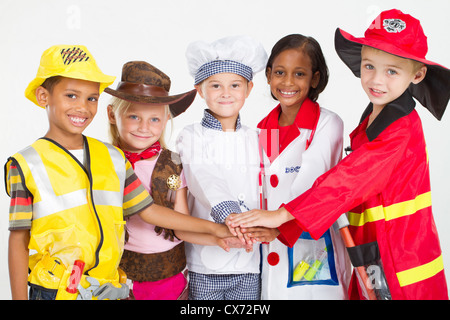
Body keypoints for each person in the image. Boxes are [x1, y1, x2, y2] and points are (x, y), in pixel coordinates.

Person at [227, 9, 449, 300]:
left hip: (399, 258)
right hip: (371, 247)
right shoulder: (375, 116)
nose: (376, 80)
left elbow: (348, 179)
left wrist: (281, 215)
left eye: (392, 71)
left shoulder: (400, 129)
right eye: (369, 66)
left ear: (417, 74)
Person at [5, 45, 233, 300]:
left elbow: (148, 211)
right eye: (71, 95)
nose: (82, 106)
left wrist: (217, 230)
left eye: (91, 98)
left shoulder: (113, 158)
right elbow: (19, 238)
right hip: (54, 289)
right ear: (43, 96)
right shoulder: (26, 163)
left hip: (107, 287)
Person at [105, 61, 246, 300]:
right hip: (120, 276)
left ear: (166, 121)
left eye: (154, 120)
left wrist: (218, 238)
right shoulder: (105, 162)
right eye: (134, 116)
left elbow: (181, 226)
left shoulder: (173, 164)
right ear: (112, 114)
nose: (144, 127)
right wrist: (215, 230)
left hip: (170, 278)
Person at [245, 34, 351, 299]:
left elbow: (312, 183)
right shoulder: (258, 130)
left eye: (299, 74)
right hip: (267, 246)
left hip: (311, 244)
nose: (288, 82)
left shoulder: (328, 124)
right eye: (280, 72)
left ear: (315, 79)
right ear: (268, 75)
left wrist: (279, 227)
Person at [176, 35, 269, 300]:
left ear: (249, 89)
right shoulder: (191, 135)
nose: (226, 93)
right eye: (215, 85)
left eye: (235, 85)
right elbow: (203, 176)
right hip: (206, 263)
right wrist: (230, 215)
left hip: (251, 261)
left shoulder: (258, 137)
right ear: (200, 90)